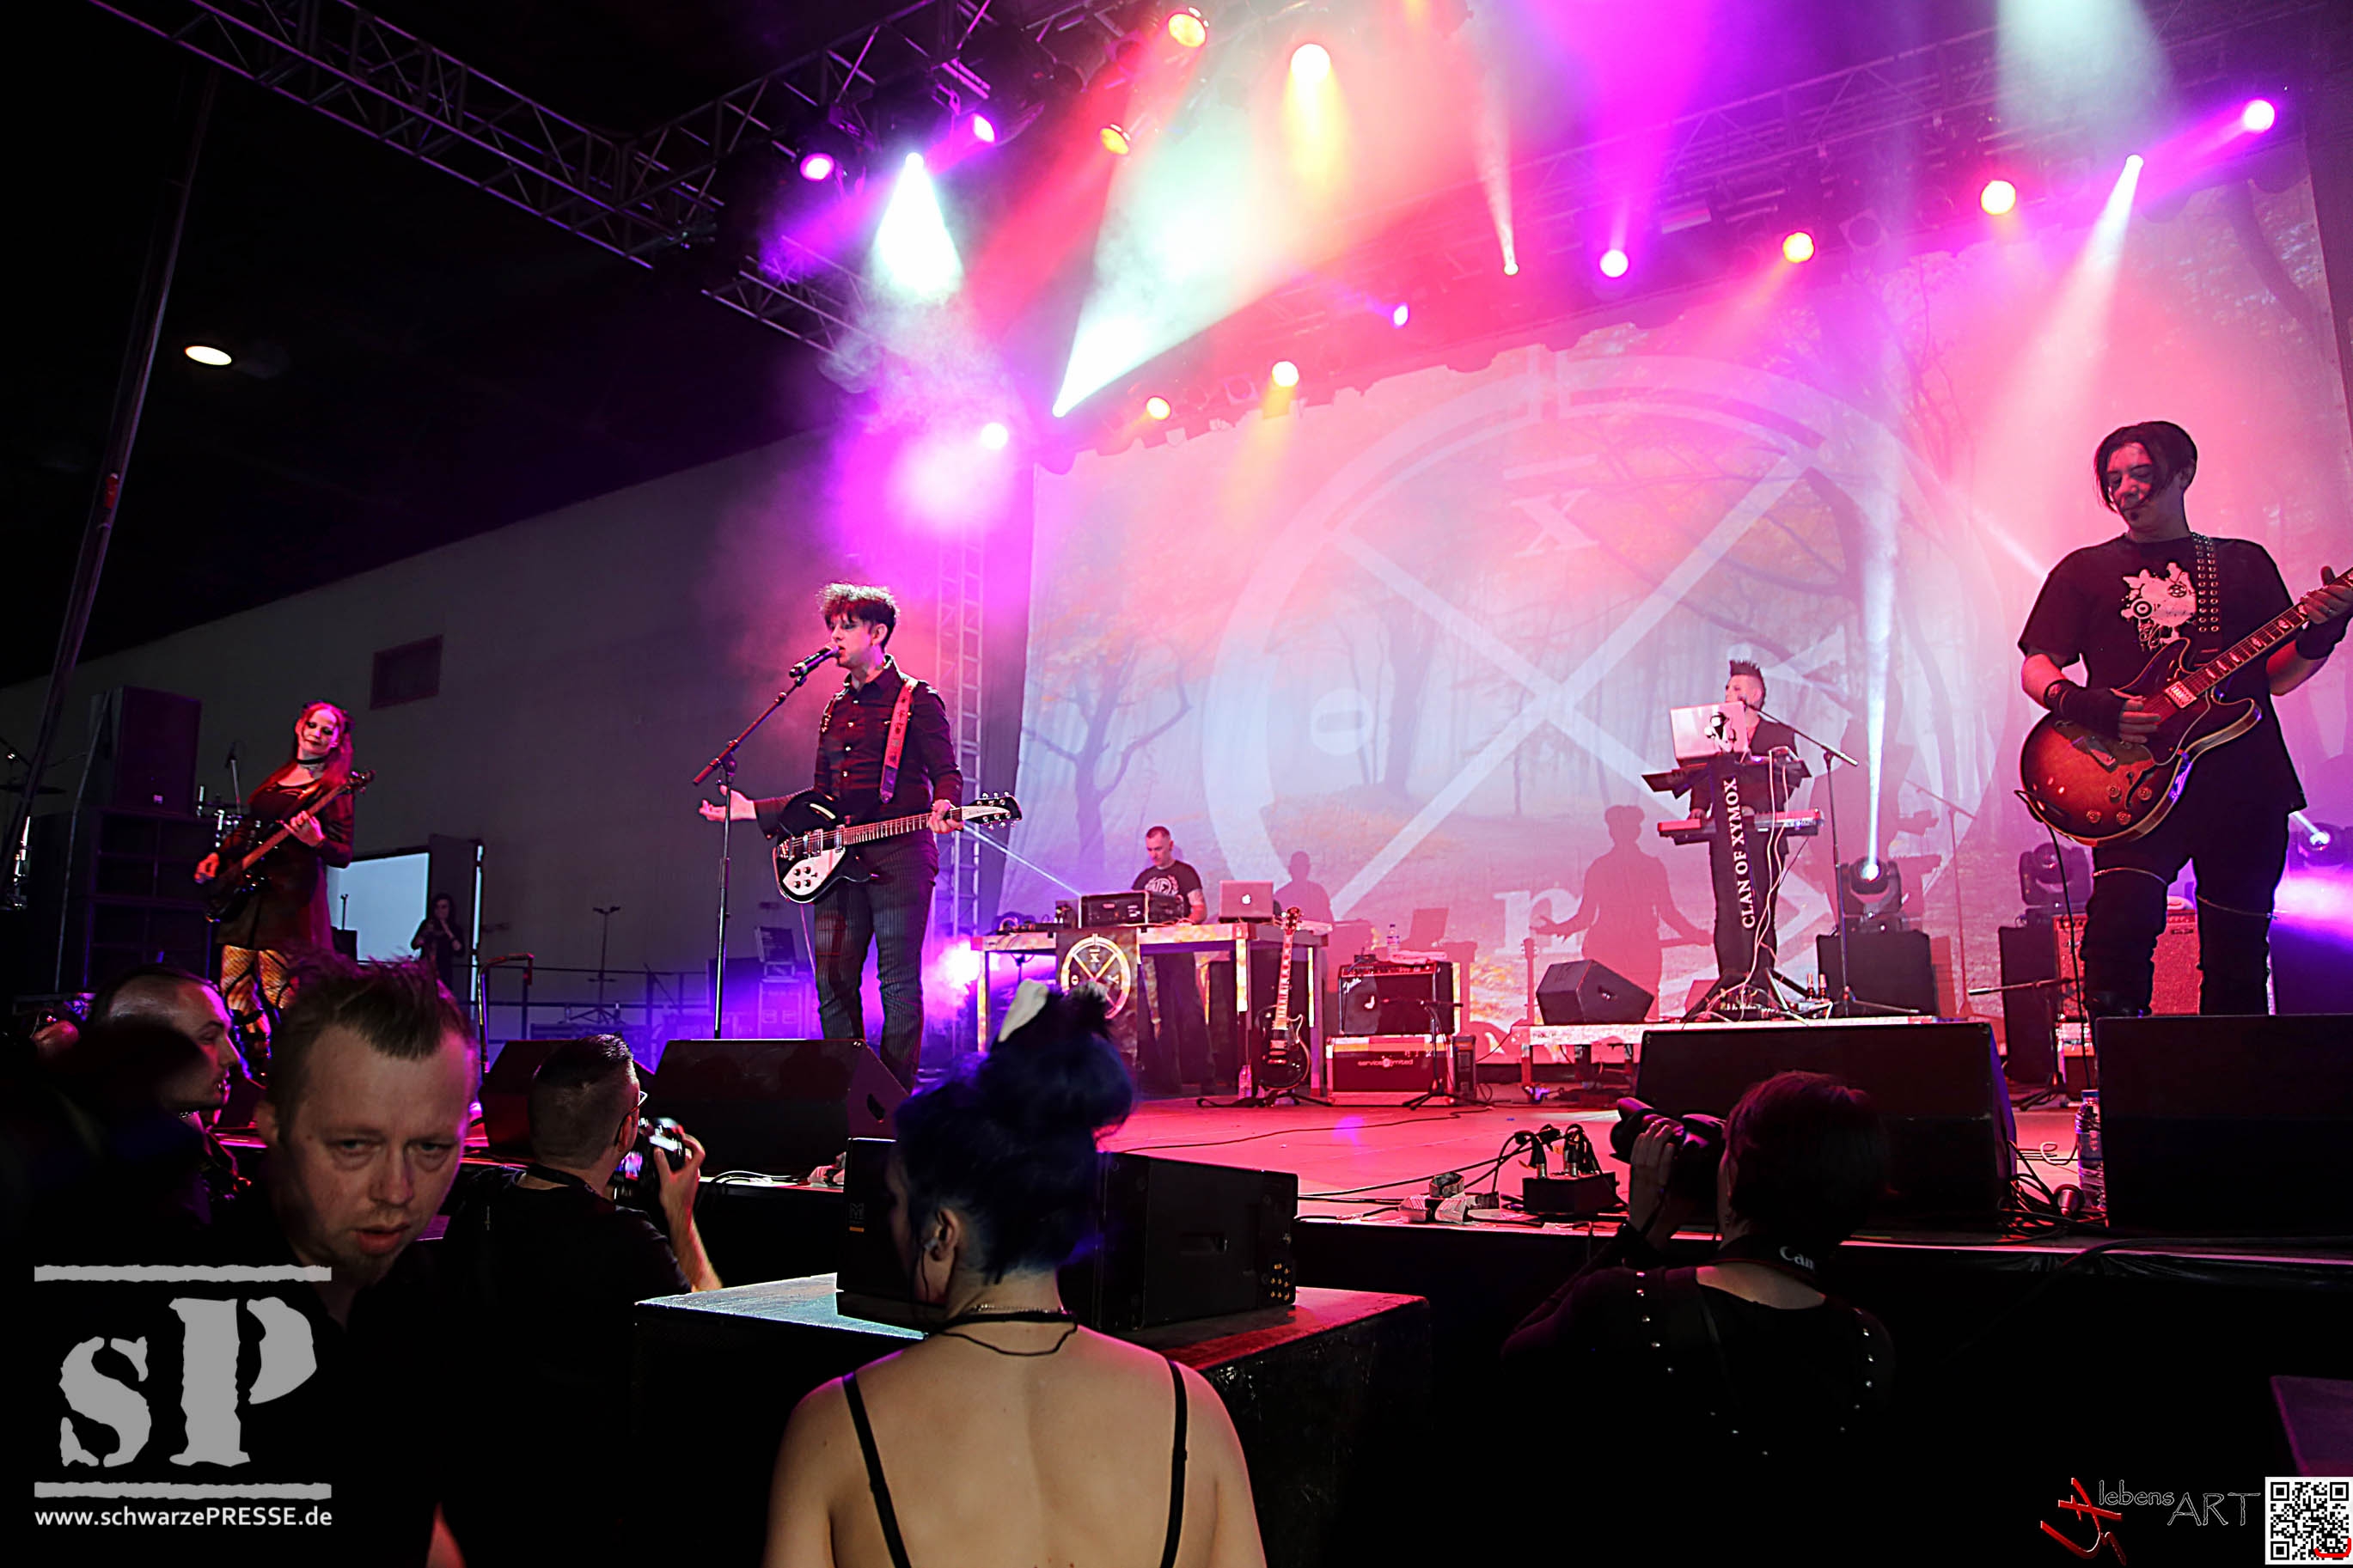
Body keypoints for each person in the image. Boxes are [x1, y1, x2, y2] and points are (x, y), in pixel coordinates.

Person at [763, 986, 1264, 1568]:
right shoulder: (1192, 1413)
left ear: (943, 1232)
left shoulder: (834, 1429)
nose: (890, 1221)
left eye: (896, 1200)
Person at [2019, 421, 2351, 1015]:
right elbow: (2037, 664)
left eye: (2141, 474)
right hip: (2130, 782)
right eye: (2113, 479)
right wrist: (2089, 705)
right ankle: (2126, 1069)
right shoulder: (2083, 571)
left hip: (2242, 783)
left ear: (2183, 474)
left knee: (2238, 963)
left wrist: (2323, 631)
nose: (2125, 489)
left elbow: (2275, 676)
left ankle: (2229, 1074)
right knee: (2115, 945)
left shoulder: (2241, 563)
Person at [1500, 1071, 1892, 1544]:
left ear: (1732, 1177)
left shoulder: (1620, 1302)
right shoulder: (1869, 1344)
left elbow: (1514, 1364)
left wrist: (1640, 1236)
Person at [206, 955, 478, 1563]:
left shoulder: (412, 1289)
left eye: (432, 1148)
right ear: (272, 1126)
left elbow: (413, 1518)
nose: (397, 1191)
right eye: (354, 1144)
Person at [441, 1036, 718, 1564]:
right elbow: (716, 1330)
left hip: (476, 1498)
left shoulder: (479, 1204)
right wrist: (681, 1216)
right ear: (627, 1130)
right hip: (586, 1516)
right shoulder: (626, 1240)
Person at [703, 585, 962, 1088]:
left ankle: (892, 1099)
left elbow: (946, 771)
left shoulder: (917, 698)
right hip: (839, 857)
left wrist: (945, 803)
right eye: (832, 627)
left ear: (877, 633)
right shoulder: (834, 708)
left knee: (897, 982)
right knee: (832, 978)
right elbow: (821, 798)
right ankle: (849, 1091)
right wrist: (752, 810)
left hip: (901, 852)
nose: (835, 637)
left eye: (846, 626)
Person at [195, 701, 358, 1064]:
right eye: (312, 725)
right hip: (249, 894)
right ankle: (259, 1055)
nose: (317, 734)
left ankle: (307, 1059)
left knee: (278, 988)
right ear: (299, 727)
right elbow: (250, 827)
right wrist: (219, 855)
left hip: (288, 898)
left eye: (327, 730)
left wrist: (317, 841)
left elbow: (343, 853)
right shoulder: (278, 778)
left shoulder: (334, 789)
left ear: (336, 741)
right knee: (232, 985)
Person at [1532, 804, 1707, 1014]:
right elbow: (1586, 917)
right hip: (1612, 952)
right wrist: (1695, 935)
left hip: (1638, 952)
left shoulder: (1640, 867)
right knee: (1624, 1010)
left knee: (1637, 1008)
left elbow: (1668, 912)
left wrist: (1696, 935)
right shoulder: (1608, 868)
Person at [1132, 826, 1213, 1091]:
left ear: (1170, 846)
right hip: (1151, 955)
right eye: (1150, 850)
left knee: (1189, 1011)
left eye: (1158, 849)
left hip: (1178, 951)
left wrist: (1188, 921)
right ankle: (1168, 1079)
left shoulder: (1185, 873)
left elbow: (1200, 908)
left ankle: (1205, 1076)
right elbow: (1131, 909)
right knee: (1160, 1016)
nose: (1154, 855)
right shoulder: (1144, 878)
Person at [410, 891, 468, 998]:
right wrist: (426, 931)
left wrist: (447, 930)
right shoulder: (427, 924)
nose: (440, 911)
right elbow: (415, 944)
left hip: (443, 971)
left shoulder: (455, 929)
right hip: (425, 970)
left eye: (444, 907)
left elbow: (460, 951)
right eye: (437, 907)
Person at [1274, 850, 1334, 926]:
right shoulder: (1281, 895)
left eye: (1302, 866)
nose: (1299, 870)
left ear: (1308, 869)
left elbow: (1329, 921)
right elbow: (1276, 925)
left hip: (1315, 933)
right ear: (1290, 869)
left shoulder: (1318, 892)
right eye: (1296, 866)